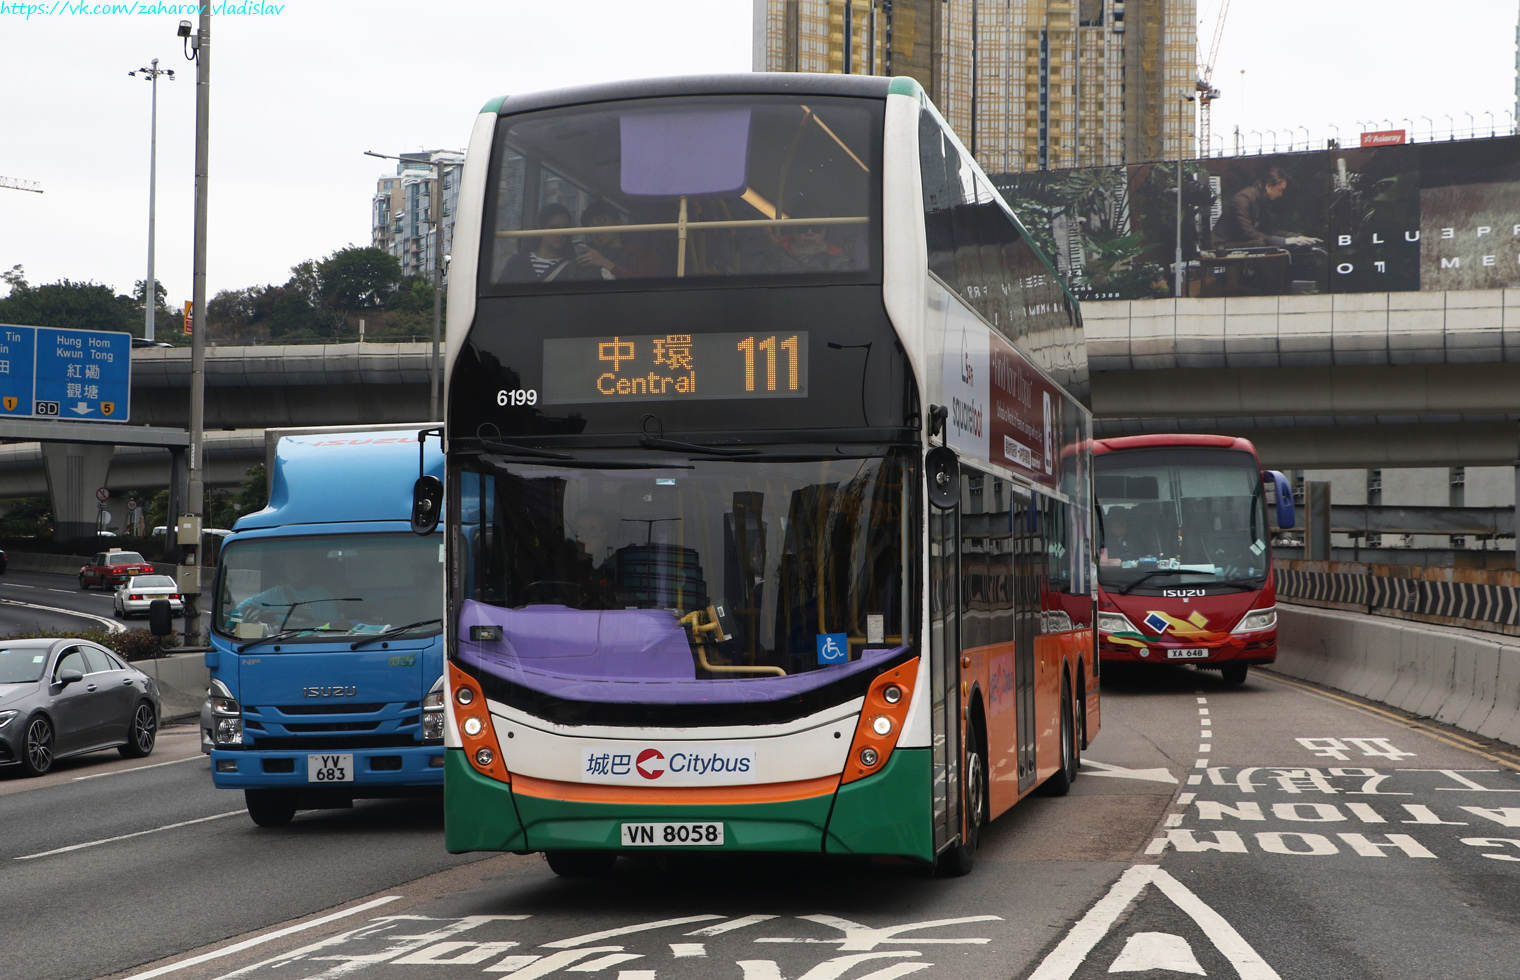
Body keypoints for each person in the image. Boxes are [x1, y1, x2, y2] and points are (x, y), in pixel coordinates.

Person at [1211, 168, 1322, 250]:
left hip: (1238, 241)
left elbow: (1268, 229)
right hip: (1222, 244)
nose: (1281, 194)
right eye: (1280, 190)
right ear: (1268, 186)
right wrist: (1285, 241)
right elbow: (1248, 232)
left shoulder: (1260, 198)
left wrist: (1296, 237)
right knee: (1260, 244)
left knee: (1266, 243)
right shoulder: (1242, 199)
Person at [234, 553, 347, 630]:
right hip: (279, 645)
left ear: (307, 568)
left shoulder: (324, 596)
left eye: (298, 565)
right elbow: (241, 607)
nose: (292, 569)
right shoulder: (276, 593)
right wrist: (229, 627)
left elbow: (333, 628)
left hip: (311, 644)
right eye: (289, 565)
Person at [500, 204, 587, 283]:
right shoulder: (516, 262)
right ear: (540, 228)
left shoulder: (573, 268)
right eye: (554, 228)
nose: (560, 234)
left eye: (565, 229)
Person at [575, 201, 660, 280]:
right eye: (591, 227)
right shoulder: (585, 258)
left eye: (601, 222)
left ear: (618, 223)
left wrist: (604, 263)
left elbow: (646, 287)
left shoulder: (641, 254)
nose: (596, 230)